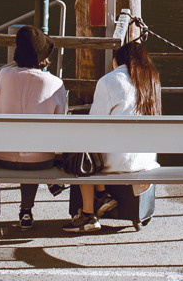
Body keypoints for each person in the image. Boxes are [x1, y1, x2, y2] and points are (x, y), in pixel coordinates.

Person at [63, 39, 161, 233]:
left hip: (118, 161)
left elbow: (95, 123)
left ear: (118, 60)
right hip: (146, 159)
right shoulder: (152, 82)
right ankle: (101, 197)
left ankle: (88, 214)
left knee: (80, 149)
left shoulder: (109, 81)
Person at [0, 25, 67, 230]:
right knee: (36, 146)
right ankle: (28, 206)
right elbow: (60, 125)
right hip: (40, 161)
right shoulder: (55, 83)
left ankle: (27, 205)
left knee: (23, 141)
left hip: (1, 156)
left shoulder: (3, 75)